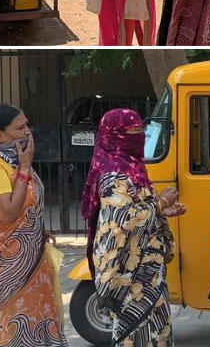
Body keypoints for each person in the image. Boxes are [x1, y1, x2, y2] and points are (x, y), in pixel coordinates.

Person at [0, 104, 67, 347]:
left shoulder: (12, 160)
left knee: (35, 316)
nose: (27, 132)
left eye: (27, 124)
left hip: (27, 257)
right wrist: (26, 168)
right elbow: (7, 213)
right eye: (20, 128)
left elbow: (25, 208)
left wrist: (34, 230)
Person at [81, 109, 185, 347]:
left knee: (156, 333)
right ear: (114, 136)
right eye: (134, 132)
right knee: (137, 334)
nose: (141, 137)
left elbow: (141, 207)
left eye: (141, 130)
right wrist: (161, 204)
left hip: (147, 271)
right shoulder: (113, 174)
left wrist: (162, 210)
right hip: (129, 273)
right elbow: (125, 219)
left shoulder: (131, 168)